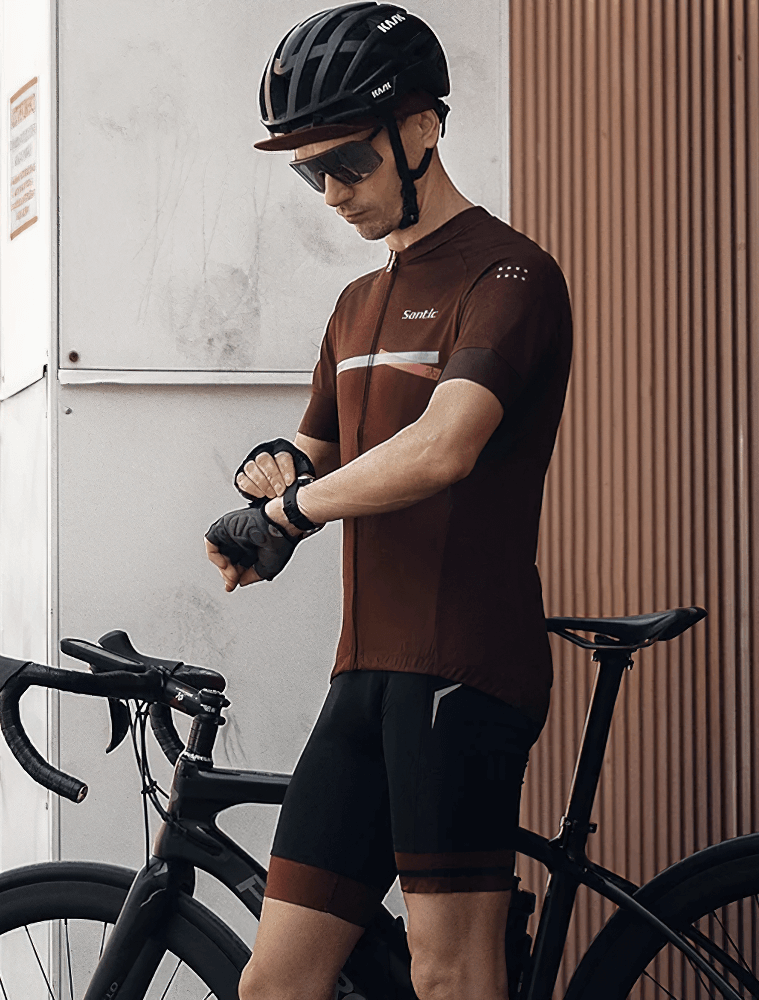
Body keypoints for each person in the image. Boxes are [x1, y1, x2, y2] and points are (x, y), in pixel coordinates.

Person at [203, 5, 572, 999]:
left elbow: (444, 445)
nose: (330, 192)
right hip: (363, 675)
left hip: (462, 669)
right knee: (275, 983)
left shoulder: (508, 274)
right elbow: (317, 454)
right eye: (307, 171)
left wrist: (297, 510)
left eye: (349, 162)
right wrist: (270, 479)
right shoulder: (356, 306)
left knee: (449, 975)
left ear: (422, 129)